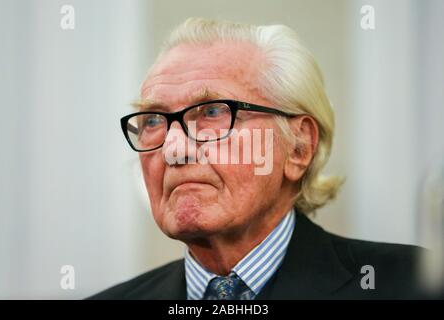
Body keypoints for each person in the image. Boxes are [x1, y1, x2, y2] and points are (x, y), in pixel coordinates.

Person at [90, 18, 423, 299]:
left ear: (298, 148)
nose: (174, 149)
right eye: (152, 120)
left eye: (212, 112)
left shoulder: (411, 285)